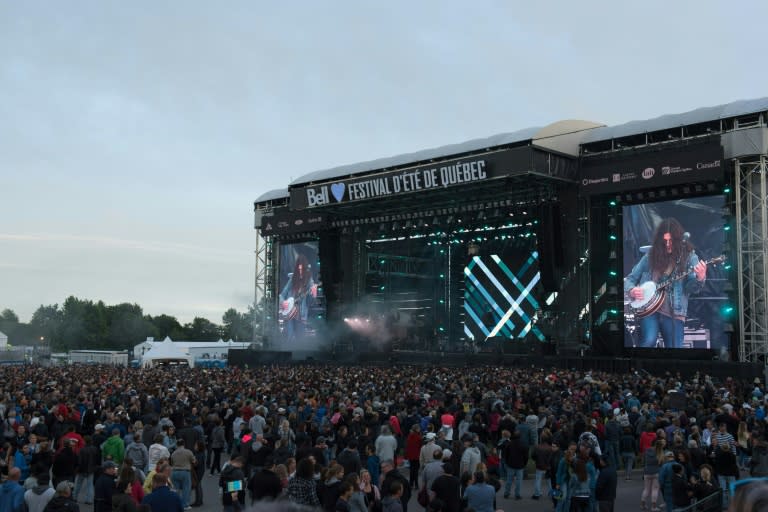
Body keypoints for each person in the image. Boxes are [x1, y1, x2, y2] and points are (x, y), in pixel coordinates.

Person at [624, 218, 707, 348]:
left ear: (678, 240)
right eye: (665, 241)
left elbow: (691, 288)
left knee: (675, 348)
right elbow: (630, 279)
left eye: (671, 240)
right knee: (648, 341)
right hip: (649, 310)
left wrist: (700, 278)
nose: (668, 244)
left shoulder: (690, 257)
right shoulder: (650, 256)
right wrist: (632, 290)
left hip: (675, 312)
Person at [279, 254, 317, 342]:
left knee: (300, 340)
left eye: (302, 269)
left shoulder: (309, 281)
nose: (300, 271)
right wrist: (283, 302)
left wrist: (314, 294)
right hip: (289, 315)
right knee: (290, 338)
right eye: (298, 269)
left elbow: (309, 302)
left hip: (301, 316)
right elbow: (282, 294)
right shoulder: (292, 279)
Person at [169, 438, 196, 509]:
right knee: (186, 489)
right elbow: (193, 461)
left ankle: (175, 505)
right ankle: (185, 505)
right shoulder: (188, 452)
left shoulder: (173, 453)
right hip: (185, 472)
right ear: (184, 444)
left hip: (174, 472)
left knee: (175, 490)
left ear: (177, 445)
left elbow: (171, 463)